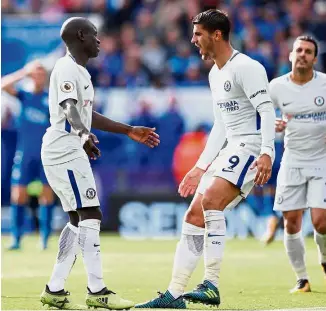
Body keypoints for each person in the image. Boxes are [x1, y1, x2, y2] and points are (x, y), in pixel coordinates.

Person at [136, 9, 275, 308]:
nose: (193, 39)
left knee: (211, 202)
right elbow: (221, 125)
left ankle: (211, 283)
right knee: (193, 216)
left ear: (217, 34)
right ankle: (174, 295)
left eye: (198, 34)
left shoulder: (246, 67)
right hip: (230, 148)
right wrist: (199, 167)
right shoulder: (215, 74)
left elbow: (266, 110)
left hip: (249, 146)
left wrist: (267, 152)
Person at [39, 17, 160, 310]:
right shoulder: (67, 67)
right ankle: (98, 290)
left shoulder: (79, 71)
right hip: (65, 149)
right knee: (91, 213)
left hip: (65, 148)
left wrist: (129, 130)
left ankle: (54, 288)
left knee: (78, 220)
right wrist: (82, 135)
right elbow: (69, 107)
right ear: (81, 36)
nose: (100, 40)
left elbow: (88, 115)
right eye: (95, 35)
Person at [269, 36, 326, 293]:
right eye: (299, 50)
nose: (303, 54)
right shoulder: (276, 88)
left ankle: (324, 258)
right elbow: (262, 120)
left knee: (321, 222)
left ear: (315, 58)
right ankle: (302, 278)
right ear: (291, 55)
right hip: (292, 159)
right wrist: (273, 126)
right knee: (291, 222)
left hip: (322, 160)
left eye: (308, 51)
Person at [1, 61, 55, 250]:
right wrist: (24, 71)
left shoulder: (50, 99)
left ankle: (45, 239)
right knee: (18, 195)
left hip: (46, 155)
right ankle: (16, 239)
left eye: (42, 73)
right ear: (32, 76)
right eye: (36, 73)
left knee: (46, 195)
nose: (39, 76)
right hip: (24, 153)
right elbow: (3, 84)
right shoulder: (24, 95)